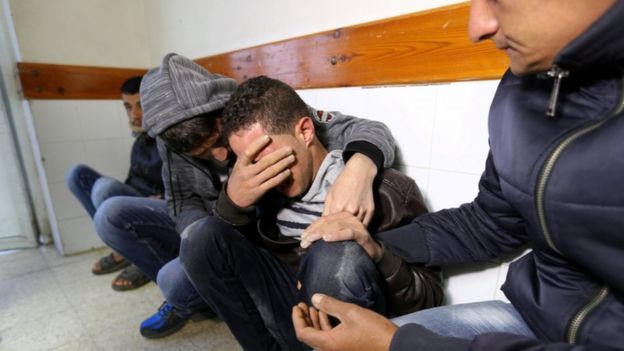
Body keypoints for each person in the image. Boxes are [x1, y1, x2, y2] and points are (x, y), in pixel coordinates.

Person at [292, 0, 624, 350]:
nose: (476, 27)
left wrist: (398, 345)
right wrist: (372, 244)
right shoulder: (523, 87)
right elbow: (492, 221)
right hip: (531, 318)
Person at [94, 53, 400, 339]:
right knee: (120, 221)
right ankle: (198, 290)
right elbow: (181, 201)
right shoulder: (169, 141)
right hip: (220, 225)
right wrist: (222, 215)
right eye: (203, 156)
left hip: (262, 235)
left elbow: (367, 129)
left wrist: (361, 167)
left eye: (218, 141)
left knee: (176, 278)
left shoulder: (256, 109)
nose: (221, 154)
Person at [180, 76, 444, 350]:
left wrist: (376, 252)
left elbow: (428, 298)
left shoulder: (388, 191)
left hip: (353, 327)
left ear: (305, 132)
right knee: (200, 237)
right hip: (289, 305)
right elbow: (226, 260)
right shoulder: (258, 187)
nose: (264, 173)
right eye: (250, 163)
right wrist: (232, 204)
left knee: (333, 252)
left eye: (271, 159)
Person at [65, 76, 156, 291]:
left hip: (160, 205)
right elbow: (132, 181)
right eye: (128, 107)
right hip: (138, 199)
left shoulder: (170, 135)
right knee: (77, 175)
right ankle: (123, 248)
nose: (134, 114)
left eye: (141, 105)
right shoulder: (140, 141)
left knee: (105, 189)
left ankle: (141, 261)